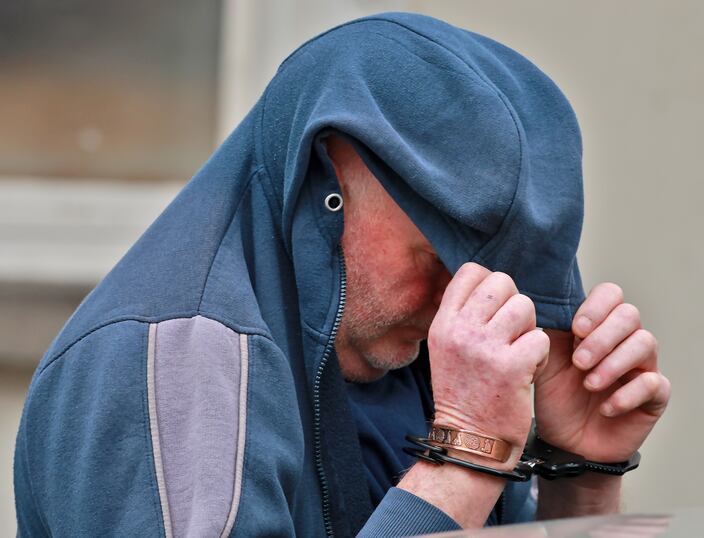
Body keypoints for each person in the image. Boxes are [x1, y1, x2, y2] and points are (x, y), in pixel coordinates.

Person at [14, 12, 670, 537]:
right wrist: (464, 460)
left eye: (492, 274)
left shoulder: (420, 360)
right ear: (328, 169)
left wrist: (579, 472)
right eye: (434, 256)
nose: (457, 305)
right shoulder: (180, 358)